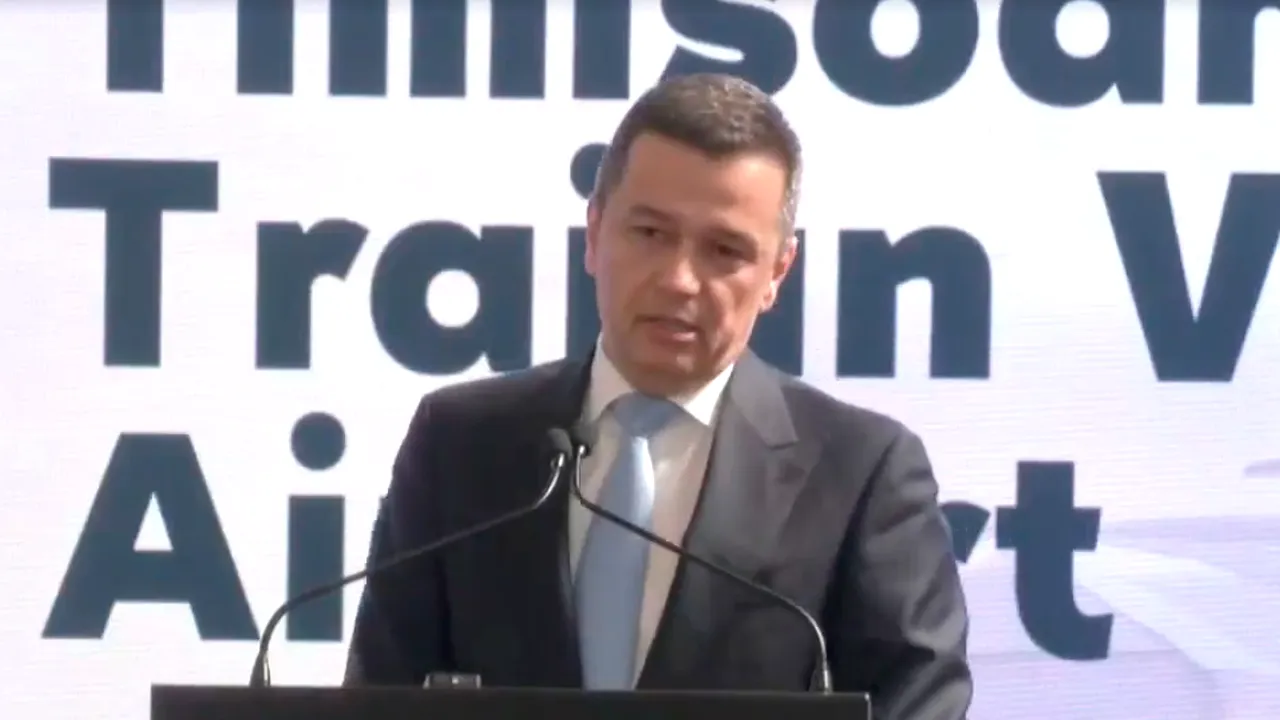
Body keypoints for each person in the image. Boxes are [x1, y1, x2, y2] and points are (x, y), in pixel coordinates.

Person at [344, 72, 972, 719]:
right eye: (650, 234)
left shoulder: (861, 474)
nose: (679, 280)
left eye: (724, 250)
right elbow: (381, 692)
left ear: (776, 272)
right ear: (594, 233)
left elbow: (919, 704)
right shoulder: (459, 443)